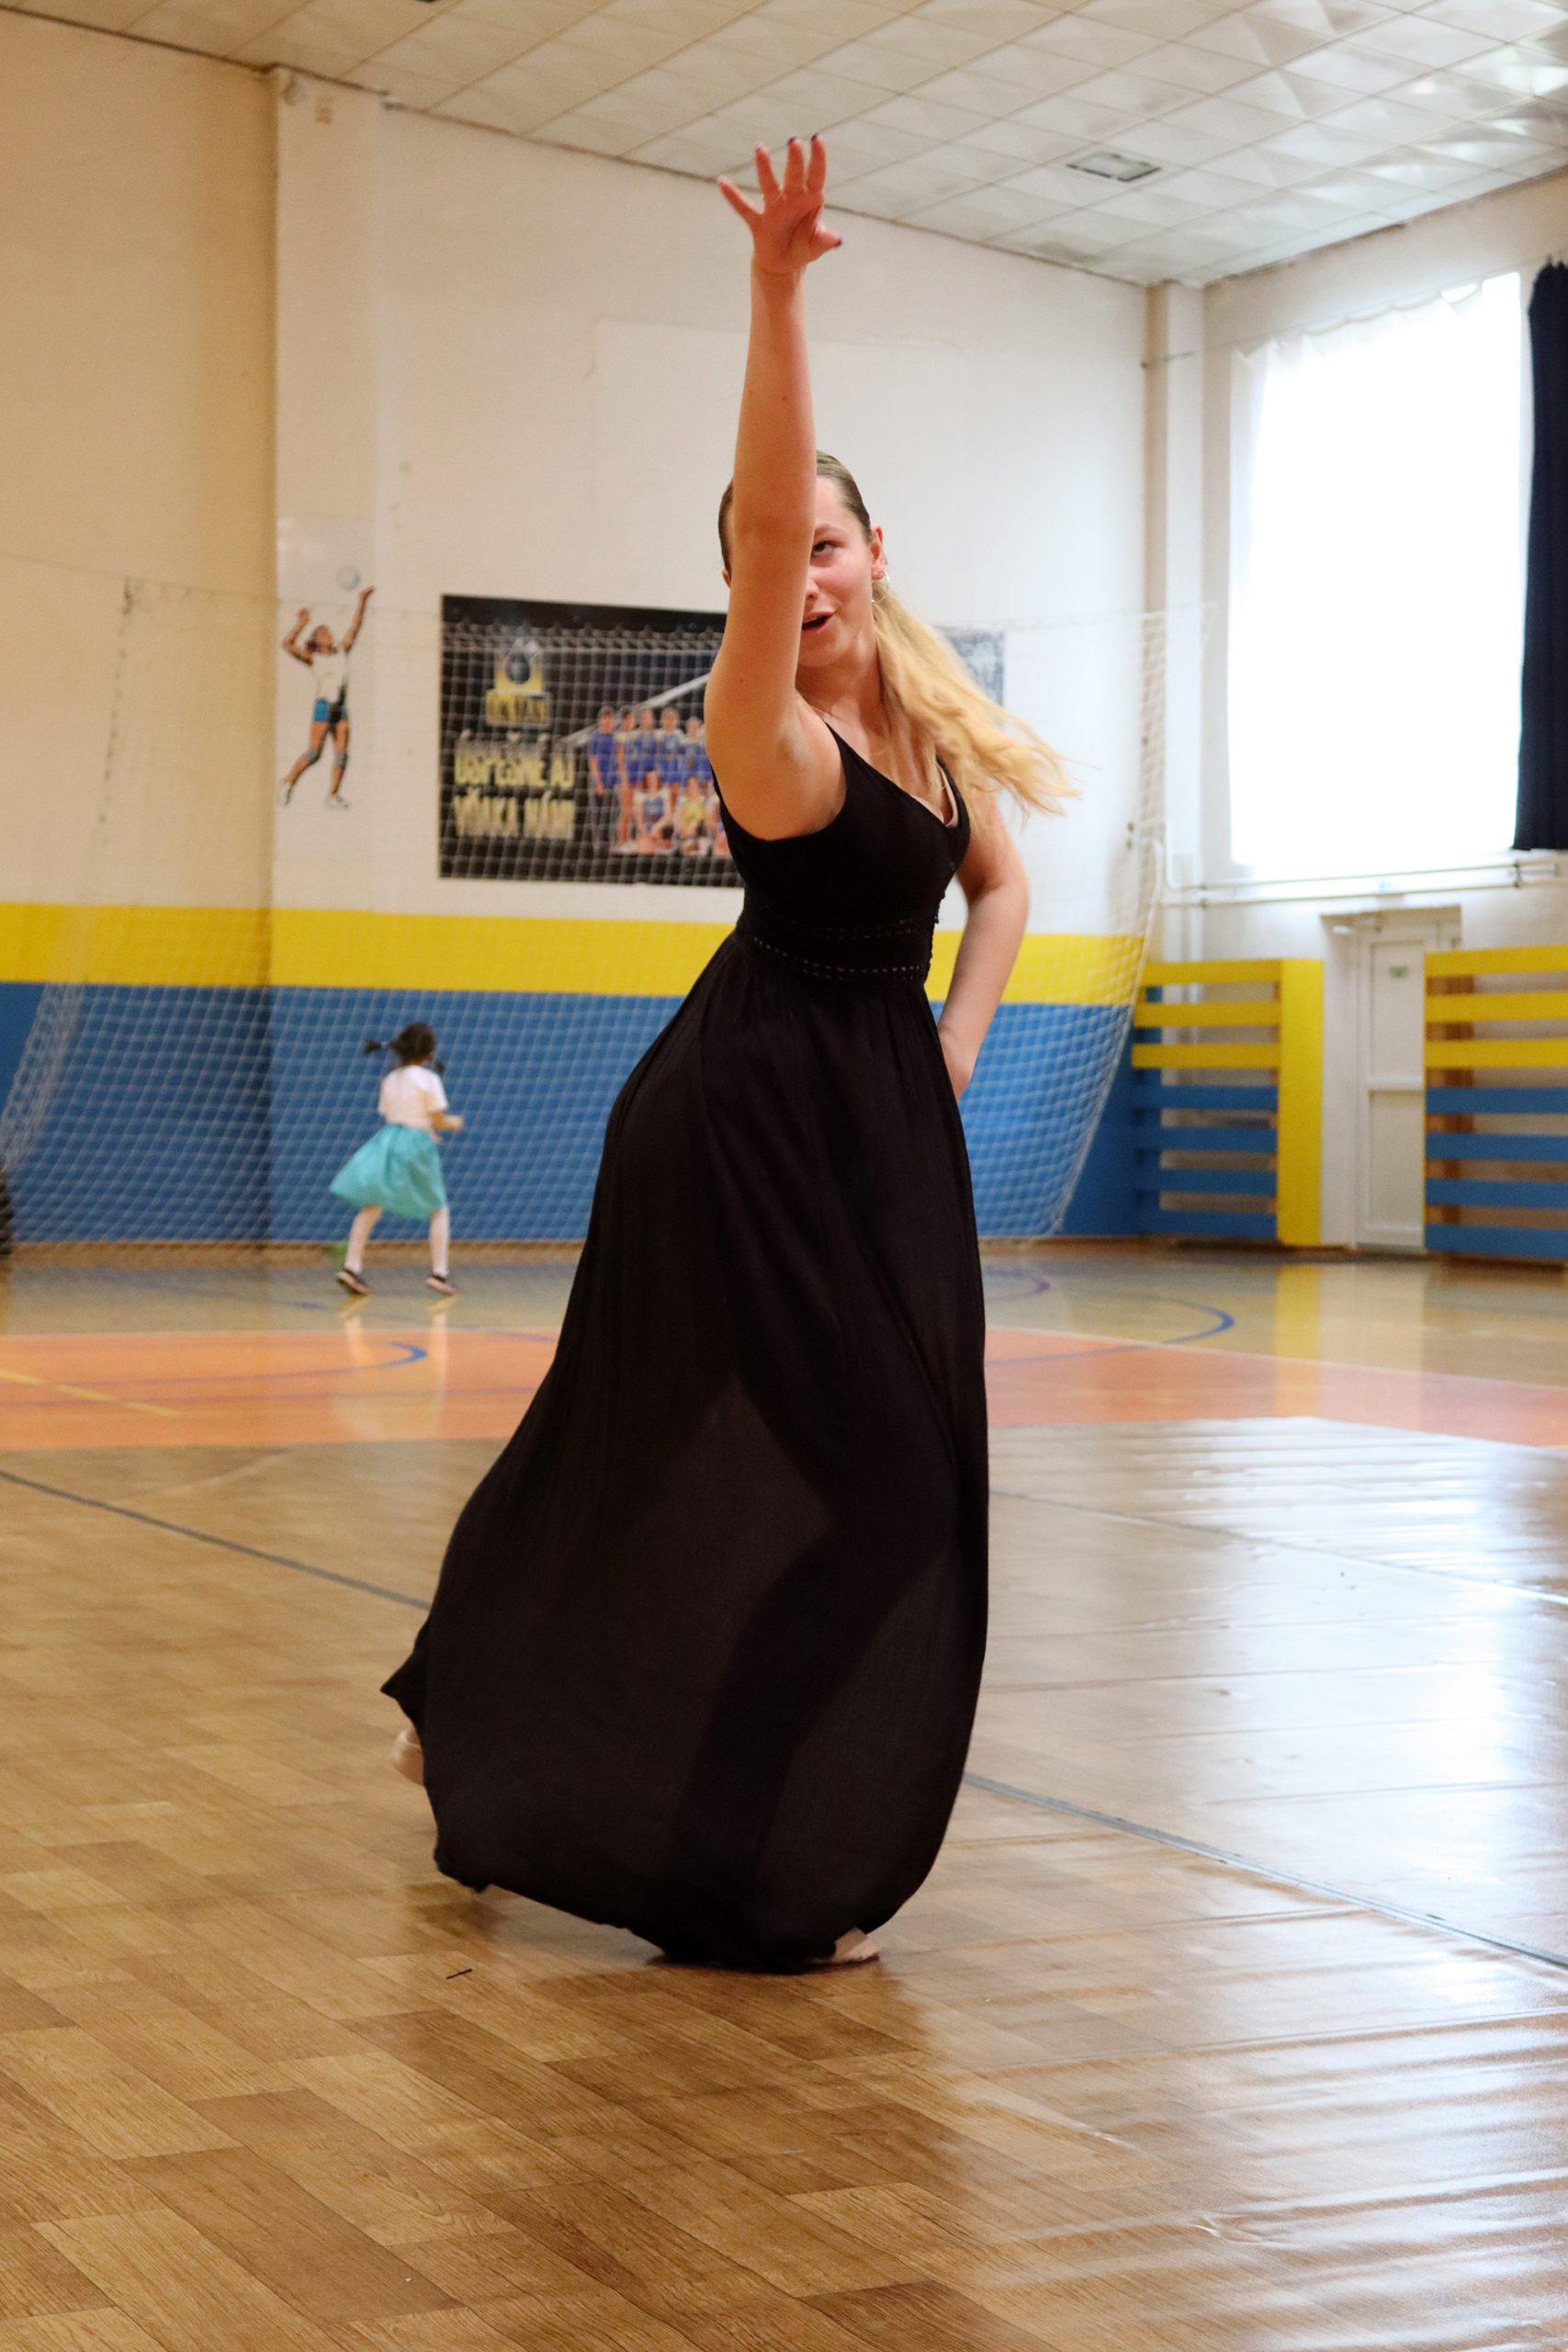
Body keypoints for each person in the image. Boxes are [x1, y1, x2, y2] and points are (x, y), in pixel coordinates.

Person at [383, 137, 1066, 1971]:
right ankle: (717, 1841)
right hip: (736, 1121)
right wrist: (773, 296)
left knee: (875, 1486)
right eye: (781, 555)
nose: (806, 572)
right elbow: (761, 528)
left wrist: (954, 1047)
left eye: (833, 545)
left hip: (871, 1121)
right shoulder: (764, 735)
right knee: (666, 1448)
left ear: (879, 554)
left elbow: (1000, 890)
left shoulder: (926, 730)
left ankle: (479, 1690)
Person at [330, 1023, 463, 1297]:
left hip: (388, 1141)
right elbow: (437, 1119)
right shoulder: (429, 1080)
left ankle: (351, 1266)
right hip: (417, 1145)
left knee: (372, 1205)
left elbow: (392, 1113)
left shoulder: (390, 1079)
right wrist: (453, 1123)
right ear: (429, 1051)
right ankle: (439, 1273)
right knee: (438, 1208)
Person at [278, 585, 373, 808]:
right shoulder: (313, 657)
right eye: (324, 633)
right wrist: (301, 623)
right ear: (318, 640)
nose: (329, 634)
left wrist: (362, 601)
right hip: (324, 706)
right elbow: (286, 644)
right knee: (314, 753)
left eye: (329, 632)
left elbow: (355, 626)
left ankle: (333, 795)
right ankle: (288, 782)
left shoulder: (341, 651)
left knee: (342, 754)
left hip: (340, 709)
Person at [585, 706, 623, 857]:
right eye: (605, 719)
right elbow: (592, 762)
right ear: (600, 720)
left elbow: (619, 759)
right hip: (598, 781)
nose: (607, 722)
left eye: (610, 719)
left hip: (612, 781)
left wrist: (620, 779)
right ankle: (598, 845)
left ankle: (609, 843)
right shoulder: (595, 737)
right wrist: (598, 783)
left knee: (611, 812)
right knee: (598, 813)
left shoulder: (616, 737)